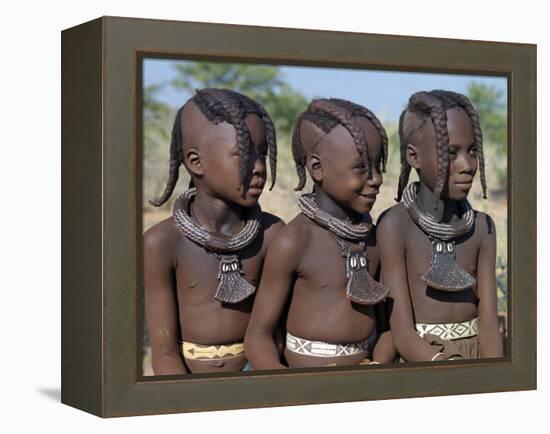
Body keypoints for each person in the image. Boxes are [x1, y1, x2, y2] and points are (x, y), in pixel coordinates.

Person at [245, 98, 396, 369]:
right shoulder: (295, 241)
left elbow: (388, 328)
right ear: (317, 168)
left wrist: (378, 367)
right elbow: (259, 334)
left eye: (377, 165)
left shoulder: (373, 237)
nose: (377, 179)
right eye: (361, 167)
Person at [144, 88, 284, 374]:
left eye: (263, 154)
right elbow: (164, 351)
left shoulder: (272, 234)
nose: (258, 167)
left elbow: (276, 335)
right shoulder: (161, 243)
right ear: (196, 162)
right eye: (243, 155)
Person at [377, 90, 503, 362]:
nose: (467, 165)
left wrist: (495, 380)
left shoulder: (483, 228)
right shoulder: (394, 225)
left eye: (472, 151)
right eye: (450, 153)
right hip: (421, 360)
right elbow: (401, 331)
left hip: (476, 357)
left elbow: (490, 324)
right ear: (414, 157)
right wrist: (446, 369)